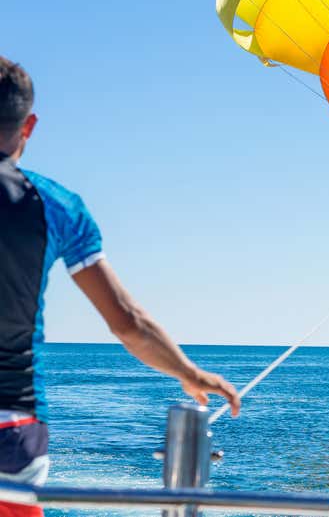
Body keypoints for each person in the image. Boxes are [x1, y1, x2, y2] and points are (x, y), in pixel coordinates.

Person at [0, 57, 240, 517]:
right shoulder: (55, 205)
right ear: (28, 125)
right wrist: (190, 373)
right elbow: (127, 323)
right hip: (13, 431)